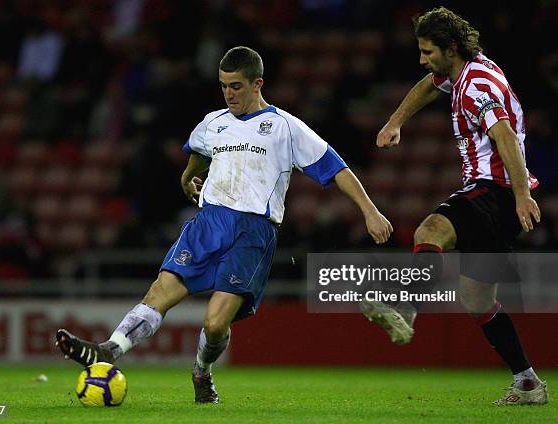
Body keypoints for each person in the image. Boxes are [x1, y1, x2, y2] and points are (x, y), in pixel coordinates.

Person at [56, 46, 393, 403]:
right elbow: (199, 151)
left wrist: (370, 211)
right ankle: (110, 350)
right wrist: (188, 179)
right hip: (209, 222)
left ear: (257, 83)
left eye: (235, 86)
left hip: (253, 233)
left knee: (215, 324)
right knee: (160, 292)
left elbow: (335, 167)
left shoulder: (285, 127)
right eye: (223, 86)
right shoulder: (213, 122)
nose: (228, 93)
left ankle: (202, 371)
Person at [360, 7, 547, 406]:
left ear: (452, 48)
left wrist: (520, 195)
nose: (422, 60)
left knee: (430, 231)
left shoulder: (477, 84)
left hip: (494, 190)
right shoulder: (465, 70)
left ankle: (406, 307)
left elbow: (505, 136)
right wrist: (396, 121)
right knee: (478, 301)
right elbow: (429, 86)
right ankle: (528, 382)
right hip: (499, 197)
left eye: (428, 52)